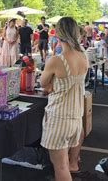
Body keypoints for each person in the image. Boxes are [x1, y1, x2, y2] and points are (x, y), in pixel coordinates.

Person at [40, 17, 88, 181]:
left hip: (59, 118)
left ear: (58, 34)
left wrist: (50, 84)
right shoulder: (84, 56)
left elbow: (42, 83)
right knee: (65, 165)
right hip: (75, 117)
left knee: (60, 167)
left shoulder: (55, 61)